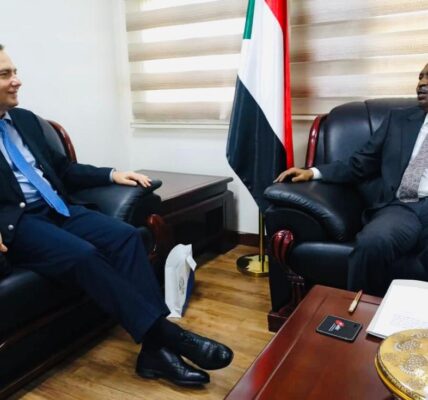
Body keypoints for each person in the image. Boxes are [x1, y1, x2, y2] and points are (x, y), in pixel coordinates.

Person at [0, 44, 233, 387]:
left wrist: (112, 174)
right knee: (84, 254)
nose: (17, 80)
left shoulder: (24, 121)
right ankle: (171, 336)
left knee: (126, 236)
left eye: (15, 71)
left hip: (57, 207)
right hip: (18, 223)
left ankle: (154, 352)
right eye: (5, 74)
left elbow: (63, 169)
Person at [275, 63, 428, 296]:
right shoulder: (398, 120)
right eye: (420, 77)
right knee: (371, 243)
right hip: (402, 207)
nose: (422, 84)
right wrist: (314, 172)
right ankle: (358, 313)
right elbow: (360, 162)